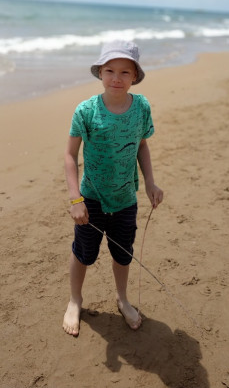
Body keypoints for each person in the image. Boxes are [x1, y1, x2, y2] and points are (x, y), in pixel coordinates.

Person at [63, 40, 164, 337]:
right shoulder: (86, 111)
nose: (116, 78)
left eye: (124, 72)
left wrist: (150, 182)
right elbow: (69, 155)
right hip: (91, 199)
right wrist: (75, 199)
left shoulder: (141, 107)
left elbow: (141, 146)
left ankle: (122, 298)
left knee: (123, 254)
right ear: (100, 73)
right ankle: (75, 300)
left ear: (135, 76)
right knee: (83, 252)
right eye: (110, 70)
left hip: (125, 199)